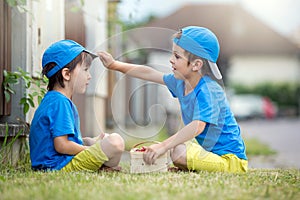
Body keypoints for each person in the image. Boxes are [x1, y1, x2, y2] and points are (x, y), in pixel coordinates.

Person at [99, 26, 248, 173]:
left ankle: (200, 165)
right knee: (176, 148)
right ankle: (193, 165)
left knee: (176, 151)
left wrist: (163, 146)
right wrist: (114, 64)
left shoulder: (209, 90)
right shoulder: (181, 82)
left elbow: (198, 126)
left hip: (230, 161)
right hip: (210, 155)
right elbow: (149, 73)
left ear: (196, 65)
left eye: (177, 56)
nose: (171, 60)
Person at [29, 40, 125, 172]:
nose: (89, 76)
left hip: (54, 163)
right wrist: (90, 151)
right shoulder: (60, 102)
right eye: (85, 70)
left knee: (100, 140)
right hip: (58, 166)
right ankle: (104, 166)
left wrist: (92, 142)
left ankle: (103, 165)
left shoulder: (54, 99)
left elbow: (60, 141)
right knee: (116, 142)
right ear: (66, 74)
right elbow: (62, 145)